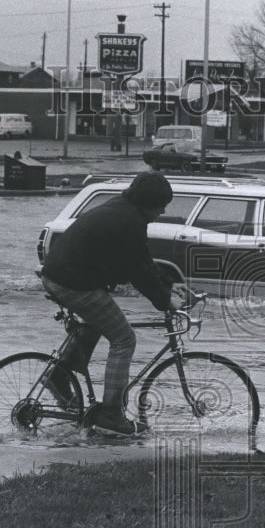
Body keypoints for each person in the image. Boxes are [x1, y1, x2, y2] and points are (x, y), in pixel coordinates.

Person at [39, 171, 183, 435]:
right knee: (124, 339)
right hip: (72, 282)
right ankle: (111, 415)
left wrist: (169, 287)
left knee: (96, 324)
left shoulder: (122, 210)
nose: (163, 211)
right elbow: (140, 272)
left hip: (58, 274)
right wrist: (166, 302)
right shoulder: (131, 221)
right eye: (162, 205)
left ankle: (59, 377)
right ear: (149, 203)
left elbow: (140, 262)